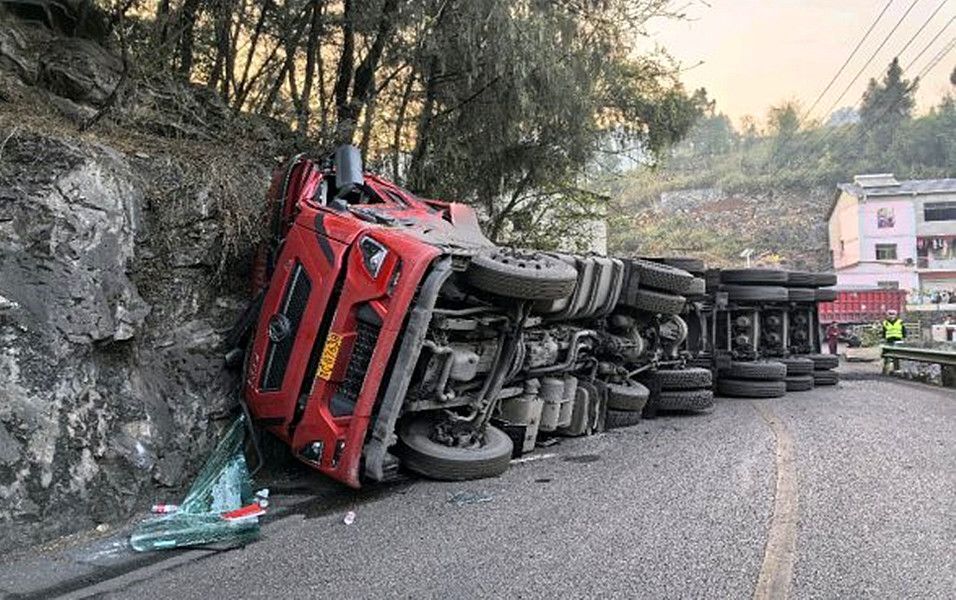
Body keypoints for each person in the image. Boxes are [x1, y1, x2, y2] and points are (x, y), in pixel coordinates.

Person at [881, 309, 905, 374]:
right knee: (887, 356)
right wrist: (883, 339)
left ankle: (897, 369)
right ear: (887, 315)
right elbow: (884, 332)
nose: (891, 316)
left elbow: (904, 331)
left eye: (893, 314)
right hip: (889, 341)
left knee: (897, 356)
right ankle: (885, 370)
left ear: (896, 315)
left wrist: (904, 339)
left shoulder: (900, 322)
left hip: (898, 340)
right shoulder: (885, 323)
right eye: (890, 314)